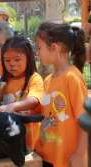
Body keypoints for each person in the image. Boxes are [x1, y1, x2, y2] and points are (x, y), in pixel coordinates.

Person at [35, 22, 88, 167]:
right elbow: (45, 112)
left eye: (39, 48)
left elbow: (85, 120)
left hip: (68, 160)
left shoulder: (72, 78)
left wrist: (79, 154)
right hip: (47, 155)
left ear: (54, 48)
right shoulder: (47, 80)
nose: (37, 53)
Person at [0, 36, 44, 150]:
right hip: (9, 139)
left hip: (30, 141)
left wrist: (11, 106)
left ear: (29, 58)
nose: (11, 64)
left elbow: (34, 100)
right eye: (7, 60)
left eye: (17, 59)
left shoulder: (34, 79)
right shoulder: (4, 81)